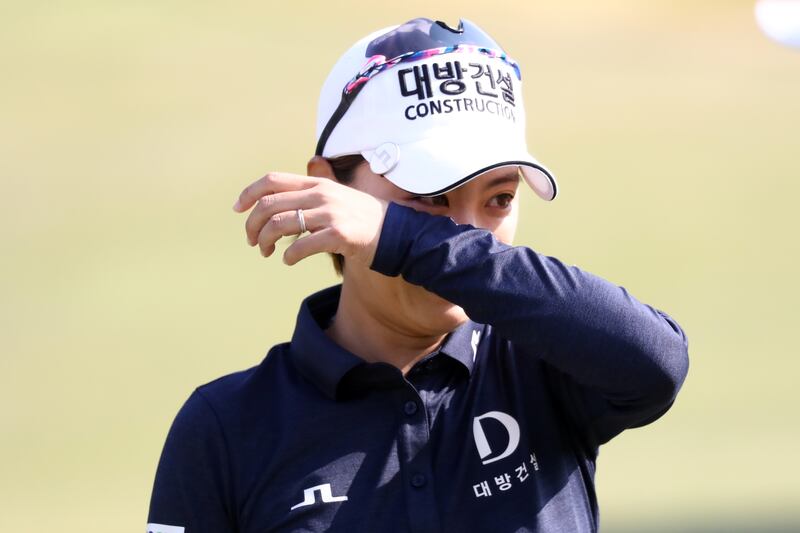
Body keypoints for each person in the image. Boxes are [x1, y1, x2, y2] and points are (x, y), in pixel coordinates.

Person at [147, 17, 689, 533]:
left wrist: (405, 238)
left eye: (499, 198)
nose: (468, 234)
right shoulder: (226, 426)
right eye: (429, 197)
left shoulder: (542, 365)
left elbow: (657, 363)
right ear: (328, 188)